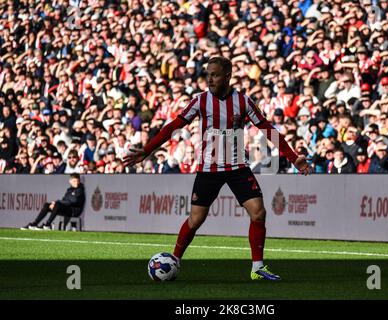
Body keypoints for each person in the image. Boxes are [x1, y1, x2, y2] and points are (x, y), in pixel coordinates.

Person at [124, 56, 311, 281]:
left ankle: (257, 267)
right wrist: (148, 149)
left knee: (258, 213)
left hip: (237, 167)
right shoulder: (200, 101)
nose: (210, 79)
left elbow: (267, 129)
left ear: (228, 76)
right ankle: (175, 259)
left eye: (215, 75)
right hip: (208, 169)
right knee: (195, 220)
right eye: (208, 75)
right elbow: (174, 125)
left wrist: (293, 157)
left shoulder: (243, 101)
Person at [21, 173, 85, 230]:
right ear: (70, 181)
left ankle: (47, 225)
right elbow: (65, 200)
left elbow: (73, 201)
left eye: (77, 181)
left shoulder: (80, 189)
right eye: (74, 181)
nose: (76, 183)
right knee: (47, 205)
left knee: (57, 204)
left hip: (74, 211)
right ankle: (34, 223)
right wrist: (55, 203)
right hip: (67, 209)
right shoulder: (69, 190)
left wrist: (57, 202)